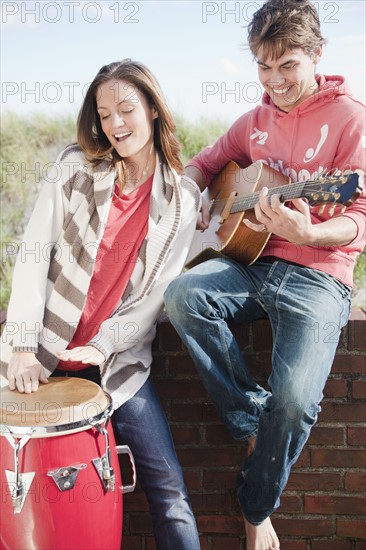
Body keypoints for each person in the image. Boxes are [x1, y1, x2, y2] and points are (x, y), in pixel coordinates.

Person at [164, 1, 366, 549]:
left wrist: (311, 235)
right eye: (263, 65)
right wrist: (199, 198)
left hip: (319, 276)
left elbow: (358, 214)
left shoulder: (351, 118)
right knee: (183, 295)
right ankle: (250, 419)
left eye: (288, 65)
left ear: (318, 54)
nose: (274, 80)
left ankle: (257, 508)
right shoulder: (253, 123)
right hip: (249, 262)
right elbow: (204, 163)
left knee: (297, 399)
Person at [1, 59, 201, 550]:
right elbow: (33, 254)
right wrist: (23, 346)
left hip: (117, 367)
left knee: (169, 489)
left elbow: (157, 297)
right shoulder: (74, 167)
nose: (115, 124)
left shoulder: (182, 200)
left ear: (153, 109)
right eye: (104, 113)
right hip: (40, 362)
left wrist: (105, 344)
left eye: (127, 109)